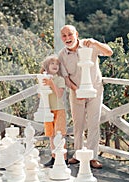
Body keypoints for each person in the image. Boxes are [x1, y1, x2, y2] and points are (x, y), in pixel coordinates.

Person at [58, 25, 113, 169]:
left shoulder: (90, 45)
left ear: (76, 34)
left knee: (93, 124)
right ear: (61, 38)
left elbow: (109, 52)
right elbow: (65, 78)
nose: (67, 38)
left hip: (95, 90)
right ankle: (78, 154)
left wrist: (95, 43)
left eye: (70, 34)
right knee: (78, 125)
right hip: (76, 92)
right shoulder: (62, 55)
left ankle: (92, 157)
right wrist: (77, 91)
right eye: (64, 36)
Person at [39, 54, 68, 167]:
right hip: (48, 110)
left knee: (59, 134)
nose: (55, 66)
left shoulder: (60, 79)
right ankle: (54, 157)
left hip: (59, 109)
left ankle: (64, 158)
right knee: (51, 134)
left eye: (57, 64)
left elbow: (59, 94)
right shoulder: (43, 79)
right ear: (47, 66)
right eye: (52, 63)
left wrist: (51, 84)